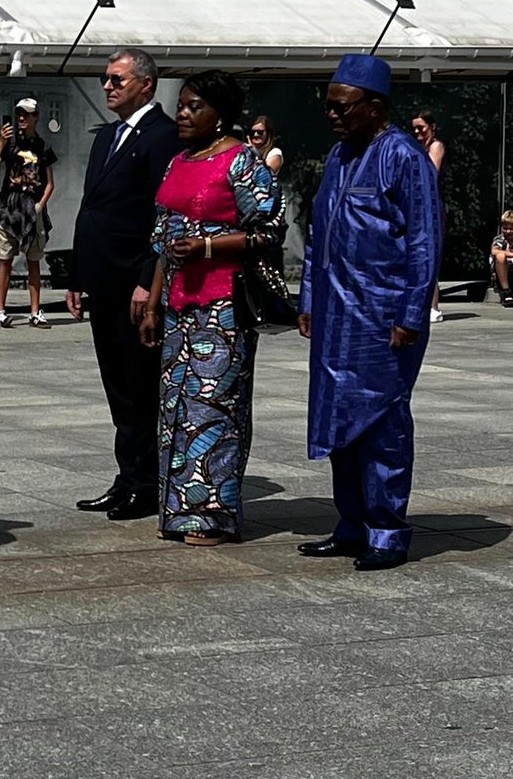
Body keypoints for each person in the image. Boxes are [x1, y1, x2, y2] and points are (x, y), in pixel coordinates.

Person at [297, 53, 441, 572]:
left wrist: (411, 314)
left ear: (375, 107)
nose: (333, 115)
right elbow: (318, 236)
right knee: (341, 424)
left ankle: (387, 530)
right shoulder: (338, 156)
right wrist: (310, 299)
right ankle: (350, 524)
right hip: (336, 319)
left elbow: (424, 243)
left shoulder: (404, 156)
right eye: (328, 106)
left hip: (383, 319)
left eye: (343, 107)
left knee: (381, 422)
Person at [139, 71, 284, 545]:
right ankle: (179, 514)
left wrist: (206, 247)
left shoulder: (242, 162)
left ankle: (215, 517)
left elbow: (268, 230)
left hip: (223, 307)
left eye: (194, 106)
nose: (182, 113)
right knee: (176, 410)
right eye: (180, 105)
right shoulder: (179, 161)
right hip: (179, 308)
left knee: (214, 410)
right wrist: (154, 302)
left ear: (219, 114)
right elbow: (164, 240)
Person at [67, 48, 181, 521]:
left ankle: (147, 481)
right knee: (116, 385)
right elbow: (90, 207)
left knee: (138, 385)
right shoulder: (109, 136)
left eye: (117, 79)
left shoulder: (162, 137)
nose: (108, 87)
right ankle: (127, 476)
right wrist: (76, 274)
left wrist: (145, 282)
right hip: (101, 278)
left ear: (146, 85)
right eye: (105, 79)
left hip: (133, 282)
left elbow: (163, 213)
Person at [0, 97, 56, 328]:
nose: (22, 118)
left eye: (27, 114)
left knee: (33, 259)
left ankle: (35, 311)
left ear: (36, 117)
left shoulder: (43, 145)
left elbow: (49, 183)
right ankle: (0, 310)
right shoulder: (10, 142)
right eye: (19, 114)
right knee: (5, 259)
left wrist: (40, 205)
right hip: (10, 205)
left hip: (32, 206)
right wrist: (0, 143)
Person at [411, 109, 447, 324]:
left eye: (421, 128)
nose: (417, 132)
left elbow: (430, 174)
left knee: (431, 254)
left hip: (431, 207)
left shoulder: (435, 146)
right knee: (420, 255)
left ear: (432, 128)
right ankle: (424, 304)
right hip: (417, 206)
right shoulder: (418, 148)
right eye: (414, 128)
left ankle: (434, 306)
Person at [489, 211, 513, 307]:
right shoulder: (500, 239)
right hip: (503, 274)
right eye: (505, 228)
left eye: (511, 229)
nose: (508, 231)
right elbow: (494, 251)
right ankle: (506, 291)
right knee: (500, 256)